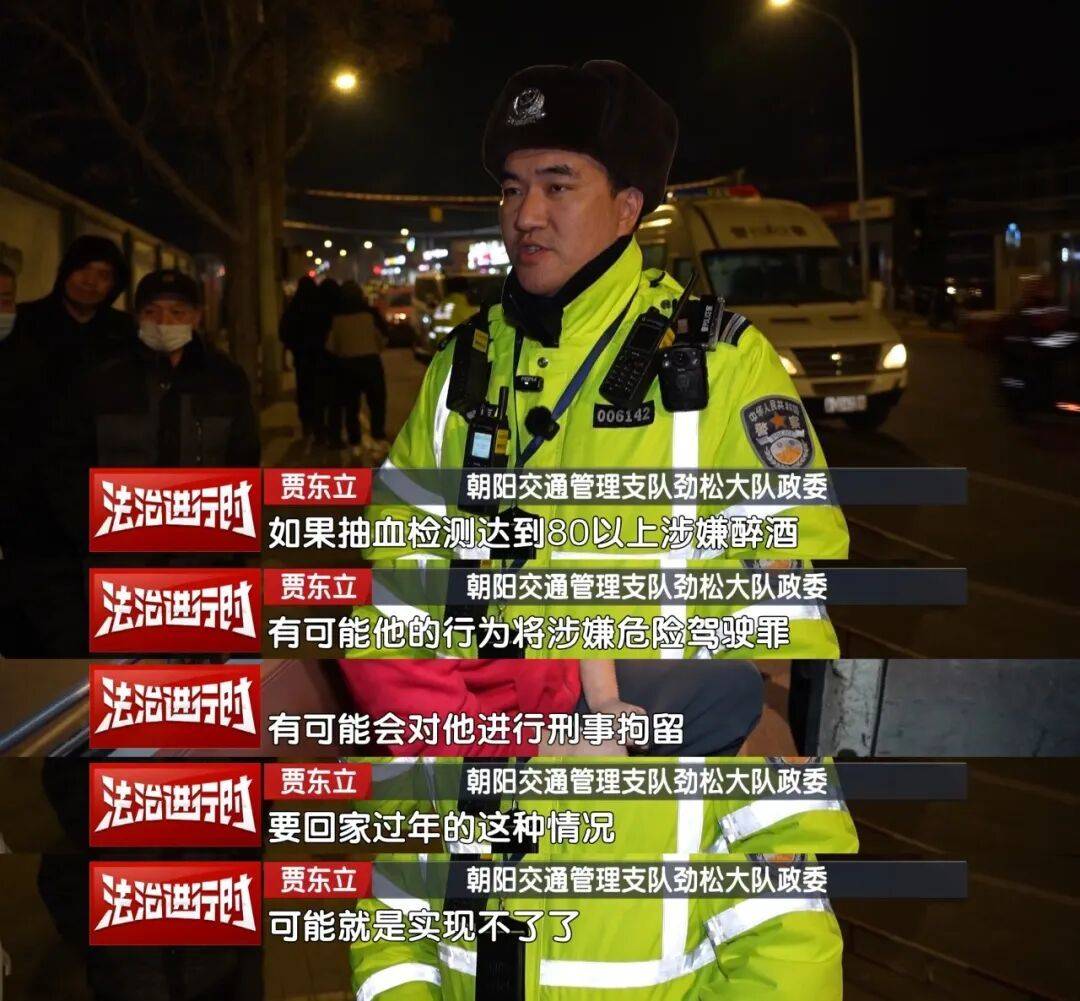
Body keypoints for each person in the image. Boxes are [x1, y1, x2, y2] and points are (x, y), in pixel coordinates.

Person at [349, 60, 848, 660]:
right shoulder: (461, 364)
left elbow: (785, 598)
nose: (525, 216)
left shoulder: (723, 361)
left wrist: (726, 705)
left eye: (557, 187)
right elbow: (397, 562)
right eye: (512, 189)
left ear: (626, 208)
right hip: (478, 716)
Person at [0, 235, 134, 656]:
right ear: (65, 272)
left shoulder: (125, 333)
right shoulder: (24, 322)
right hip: (28, 490)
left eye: (103, 275)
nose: (90, 282)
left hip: (101, 489)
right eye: (83, 270)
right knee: (32, 613)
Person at [87, 268, 259, 467]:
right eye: (151, 312)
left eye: (177, 312)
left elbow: (244, 455)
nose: (164, 322)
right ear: (138, 317)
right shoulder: (108, 376)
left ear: (196, 317)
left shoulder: (225, 376)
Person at [325, 279, 390, 457]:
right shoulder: (370, 314)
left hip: (347, 365)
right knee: (377, 401)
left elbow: (331, 346)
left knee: (351, 404)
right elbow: (383, 338)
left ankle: (354, 439)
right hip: (370, 361)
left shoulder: (337, 318)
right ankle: (378, 433)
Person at [279, 275, 331, 447]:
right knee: (320, 392)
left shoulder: (294, 307)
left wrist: (294, 346)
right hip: (321, 357)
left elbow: (283, 331)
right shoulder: (321, 307)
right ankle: (320, 428)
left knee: (304, 391)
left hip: (302, 358)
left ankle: (307, 424)